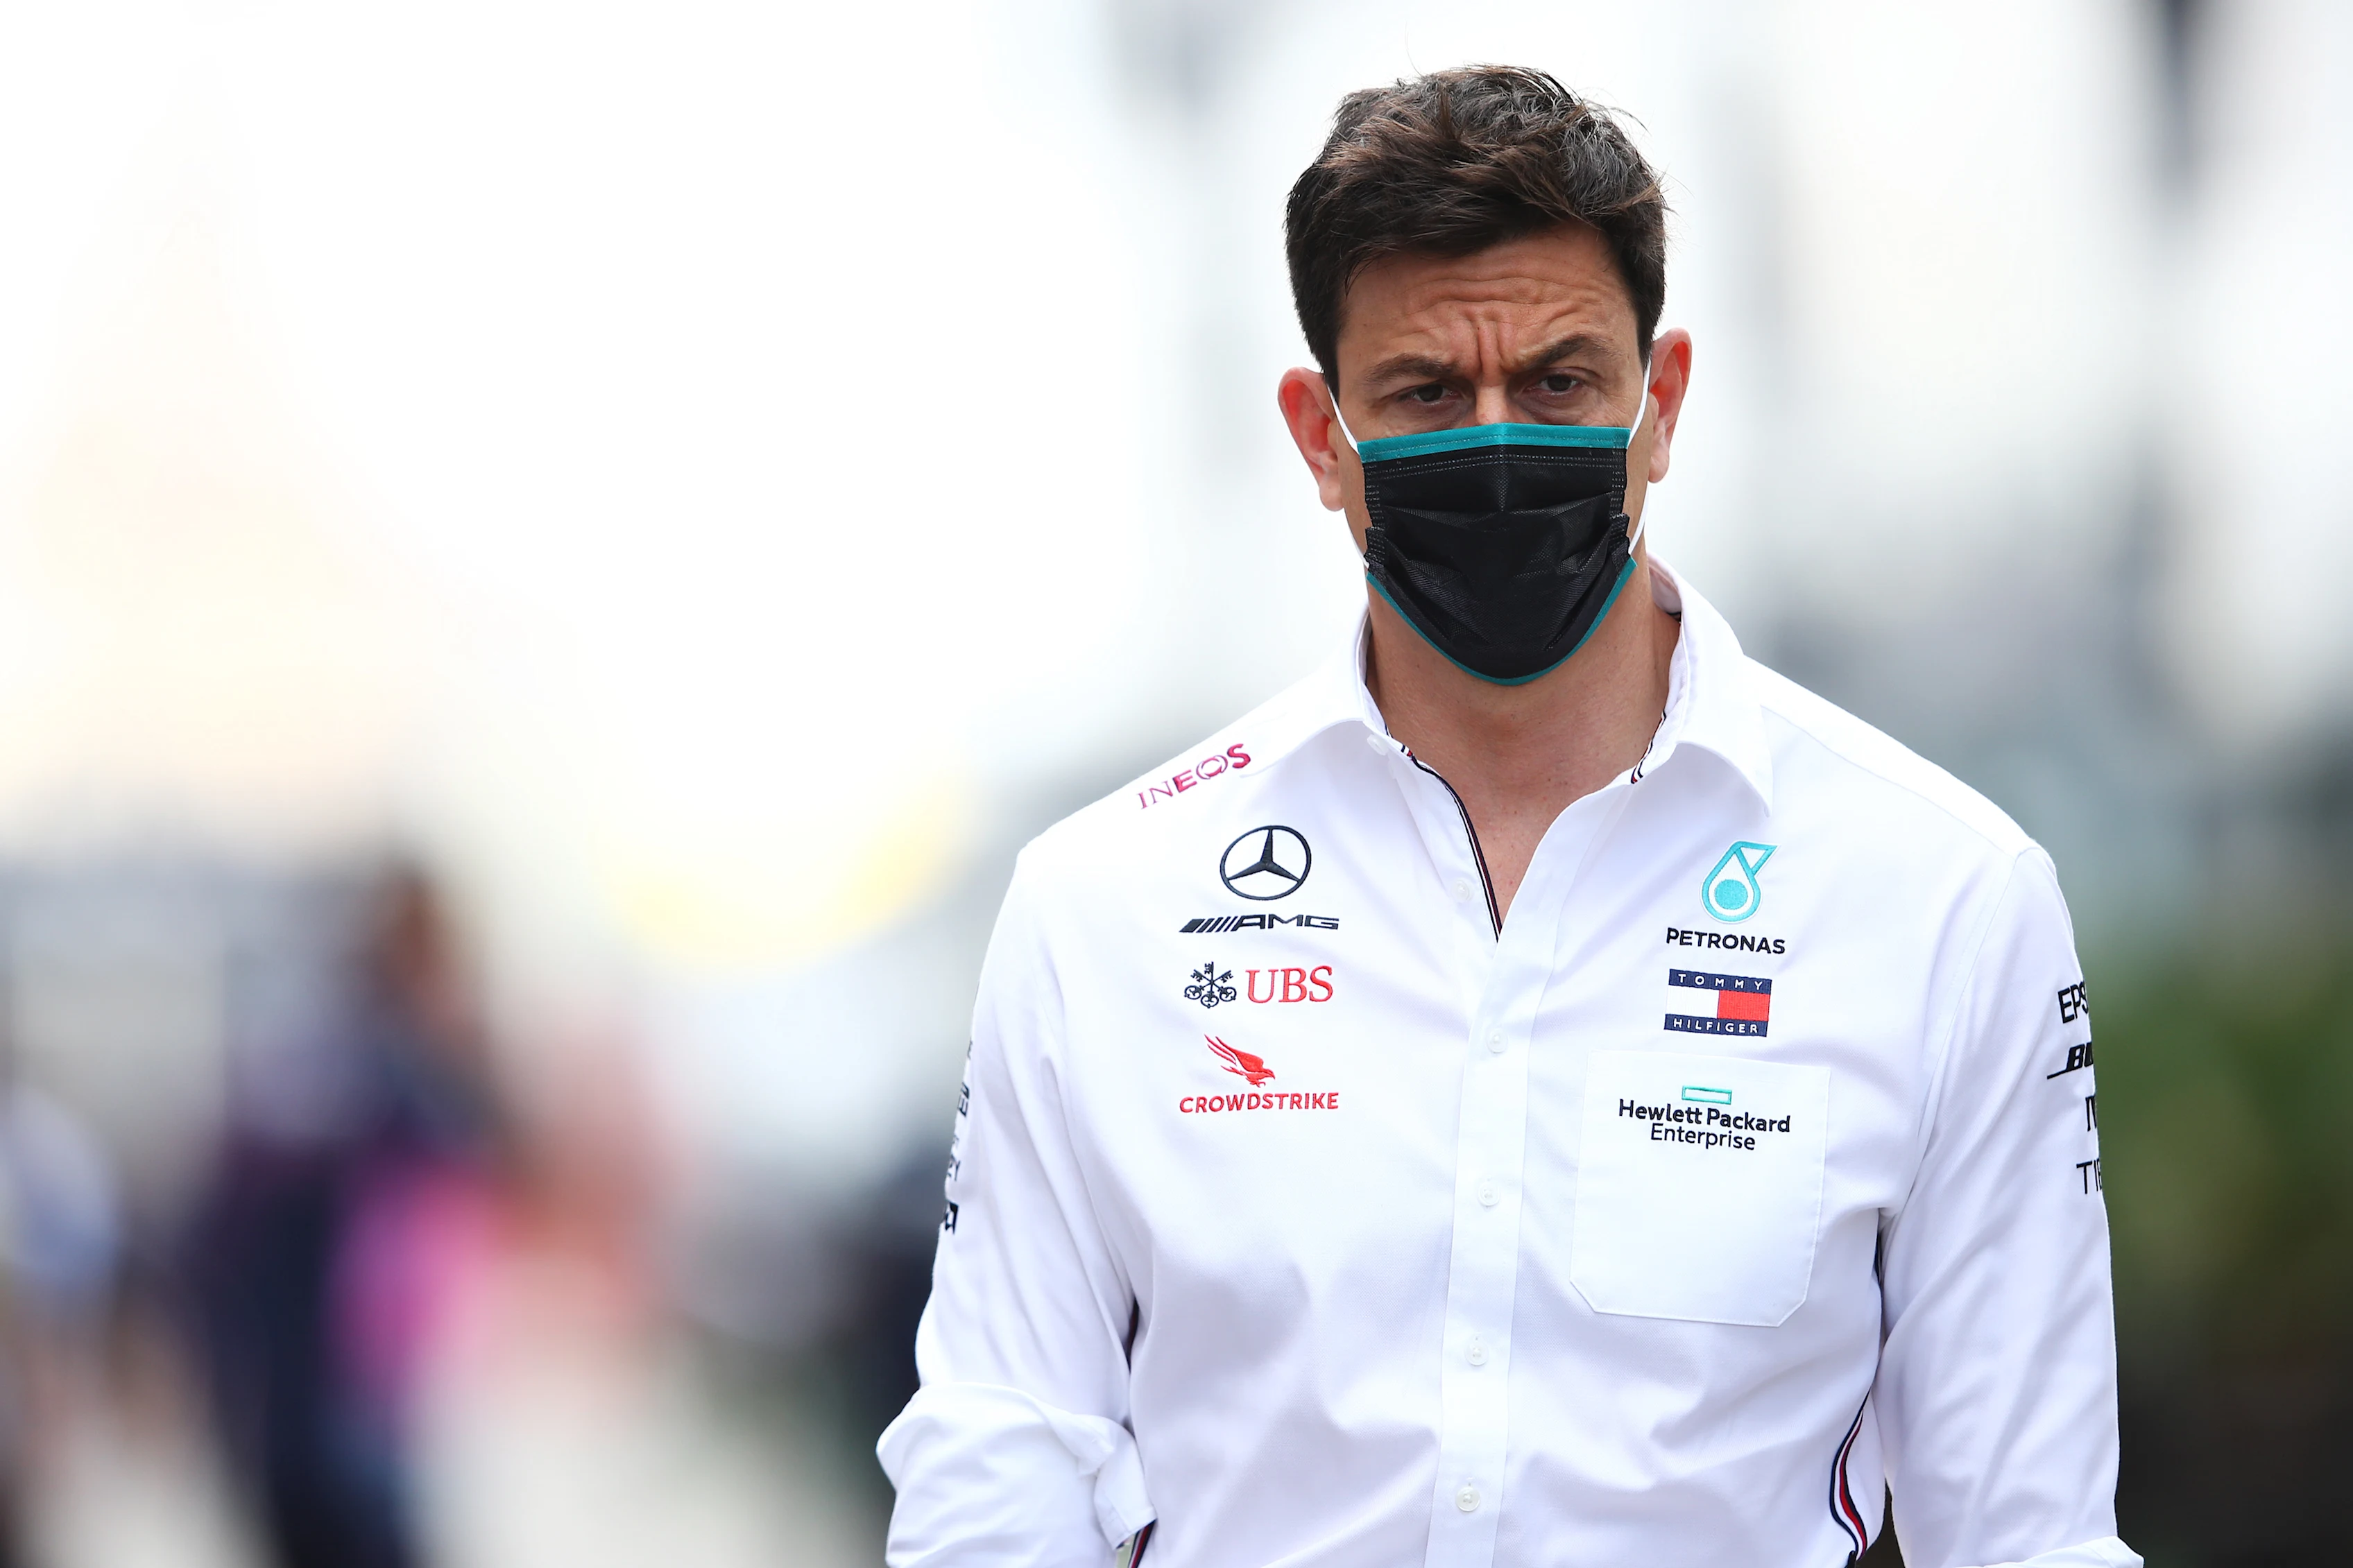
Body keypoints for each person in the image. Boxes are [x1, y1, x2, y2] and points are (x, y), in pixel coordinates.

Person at [878, 67, 2135, 1568]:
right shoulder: (1105, 904)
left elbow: (2023, 1525)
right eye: (1424, 392)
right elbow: (1000, 1459)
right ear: (1319, 435)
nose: (1494, 440)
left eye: (1557, 382)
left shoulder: (1943, 895)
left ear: (1657, 405)